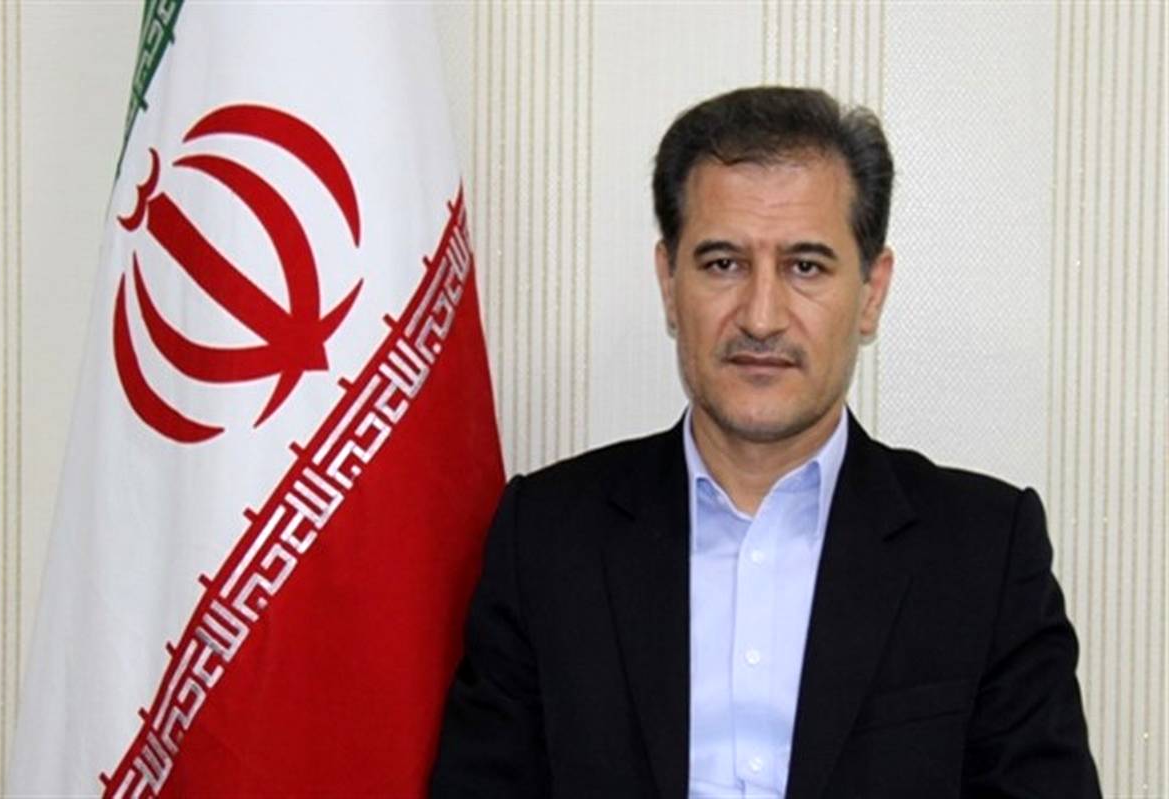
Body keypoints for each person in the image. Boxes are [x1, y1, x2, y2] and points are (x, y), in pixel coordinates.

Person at [430, 87, 1100, 798]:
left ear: (871, 292)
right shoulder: (546, 537)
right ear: (669, 282)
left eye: (805, 266)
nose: (760, 316)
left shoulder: (985, 553)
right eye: (723, 263)